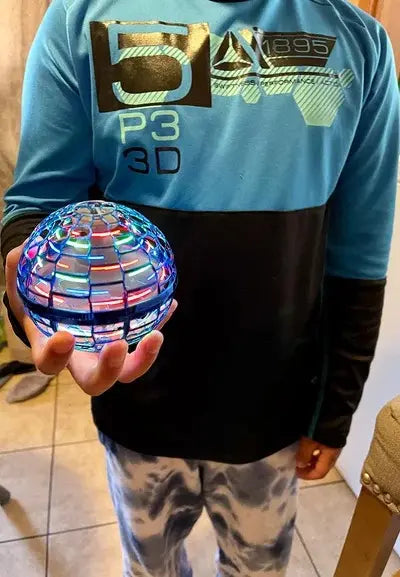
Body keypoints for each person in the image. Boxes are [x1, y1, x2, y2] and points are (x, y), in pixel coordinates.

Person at [2, 0, 399, 575]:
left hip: (271, 409)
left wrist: (336, 409)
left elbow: (360, 255)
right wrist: (31, 307)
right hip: (135, 404)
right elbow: (39, 205)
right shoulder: (80, 17)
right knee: (150, 567)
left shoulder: (359, 42)